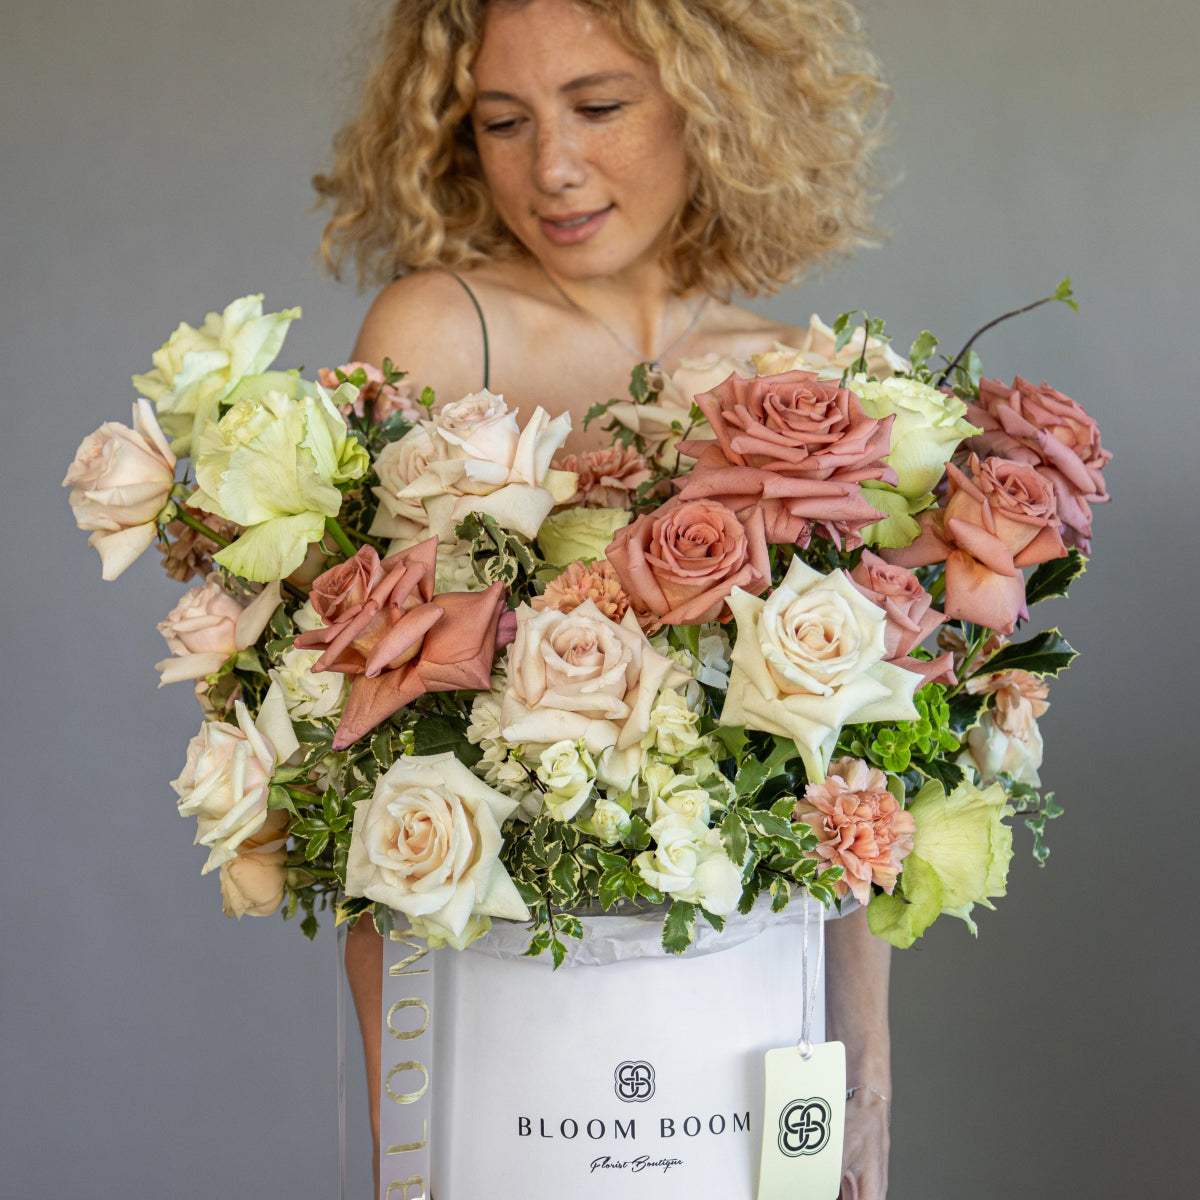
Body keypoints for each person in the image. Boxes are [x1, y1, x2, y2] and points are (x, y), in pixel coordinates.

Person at [315, 0, 892, 1195]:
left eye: (598, 107)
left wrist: (862, 1080)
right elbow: (374, 795)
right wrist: (405, 1152)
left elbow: (853, 784)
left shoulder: (797, 377)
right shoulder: (440, 333)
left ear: (708, 100)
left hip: (744, 1026)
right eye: (504, 122)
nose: (552, 169)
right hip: (510, 1041)